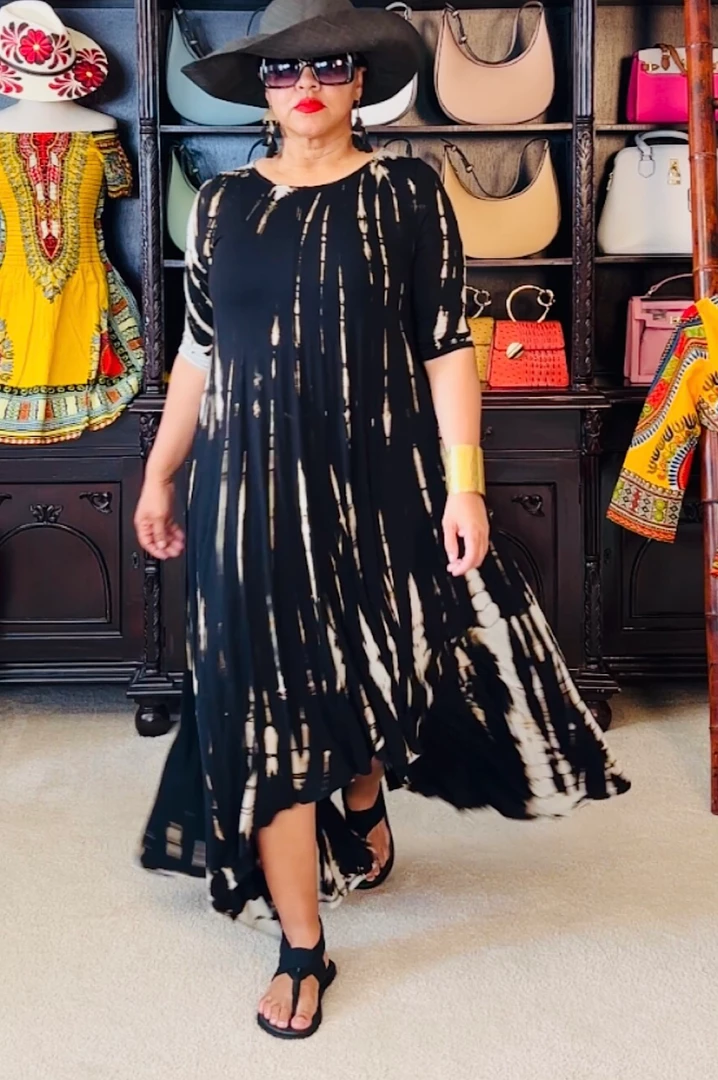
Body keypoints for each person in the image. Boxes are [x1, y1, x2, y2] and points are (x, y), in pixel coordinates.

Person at [134, 0, 630, 1041]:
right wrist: (160, 474)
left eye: (328, 65)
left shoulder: (406, 194)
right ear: (261, 90)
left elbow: (447, 346)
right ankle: (300, 943)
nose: (306, 85)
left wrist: (464, 484)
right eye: (283, 70)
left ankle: (363, 795)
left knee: (369, 670)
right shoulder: (220, 205)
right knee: (265, 707)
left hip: (378, 484)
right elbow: (197, 353)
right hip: (246, 495)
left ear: (361, 79)